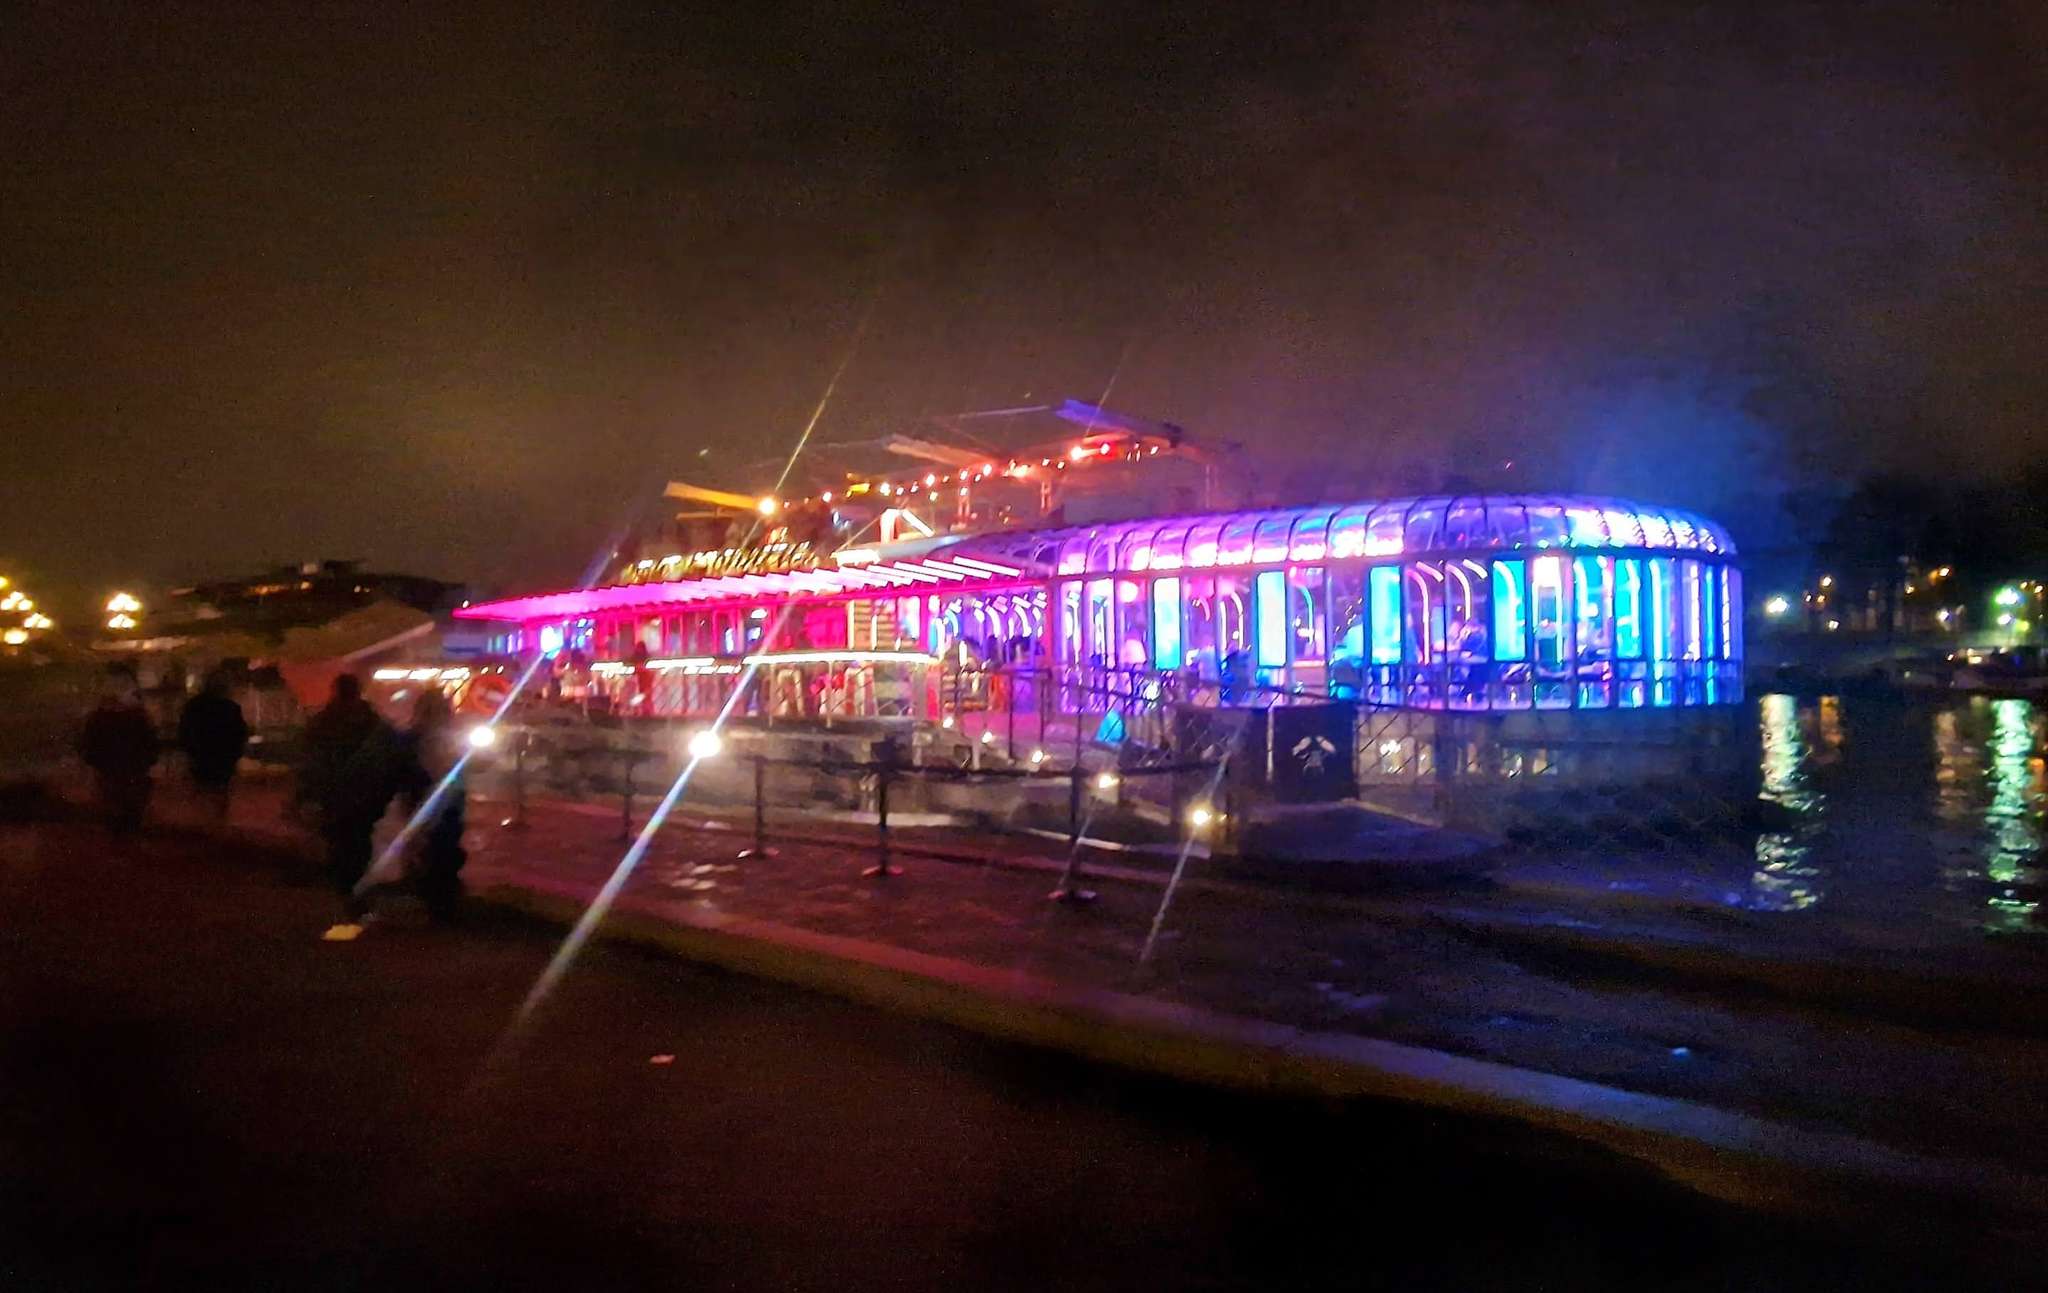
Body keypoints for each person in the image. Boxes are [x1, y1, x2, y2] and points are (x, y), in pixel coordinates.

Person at [297, 674, 401, 936]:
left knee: (342, 844)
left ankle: (349, 894)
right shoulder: (371, 722)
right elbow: (390, 758)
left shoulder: (323, 723)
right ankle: (354, 896)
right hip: (363, 796)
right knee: (358, 844)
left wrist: (307, 794)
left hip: (336, 796)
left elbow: (310, 761)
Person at [398, 689, 468, 922]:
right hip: (440, 799)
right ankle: (440, 901)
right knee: (440, 849)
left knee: (431, 848)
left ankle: (434, 899)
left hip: (429, 798)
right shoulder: (445, 736)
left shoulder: (415, 737)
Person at [79, 666, 158, 832]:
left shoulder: (98, 718)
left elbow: (88, 748)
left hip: (109, 773)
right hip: (133, 773)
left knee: (113, 814)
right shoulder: (138, 717)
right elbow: (151, 746)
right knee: (130, 815)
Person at [177, 669, 249, 824]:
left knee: (202, 795)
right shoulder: (230, 708)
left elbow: (184, 733)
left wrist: (190, 752)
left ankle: (202, 823)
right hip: (223, 761)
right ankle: (216, 822)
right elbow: (239, 735)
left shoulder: (194, 706)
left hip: (200, 758)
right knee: (219, 796)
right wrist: (234, 756)